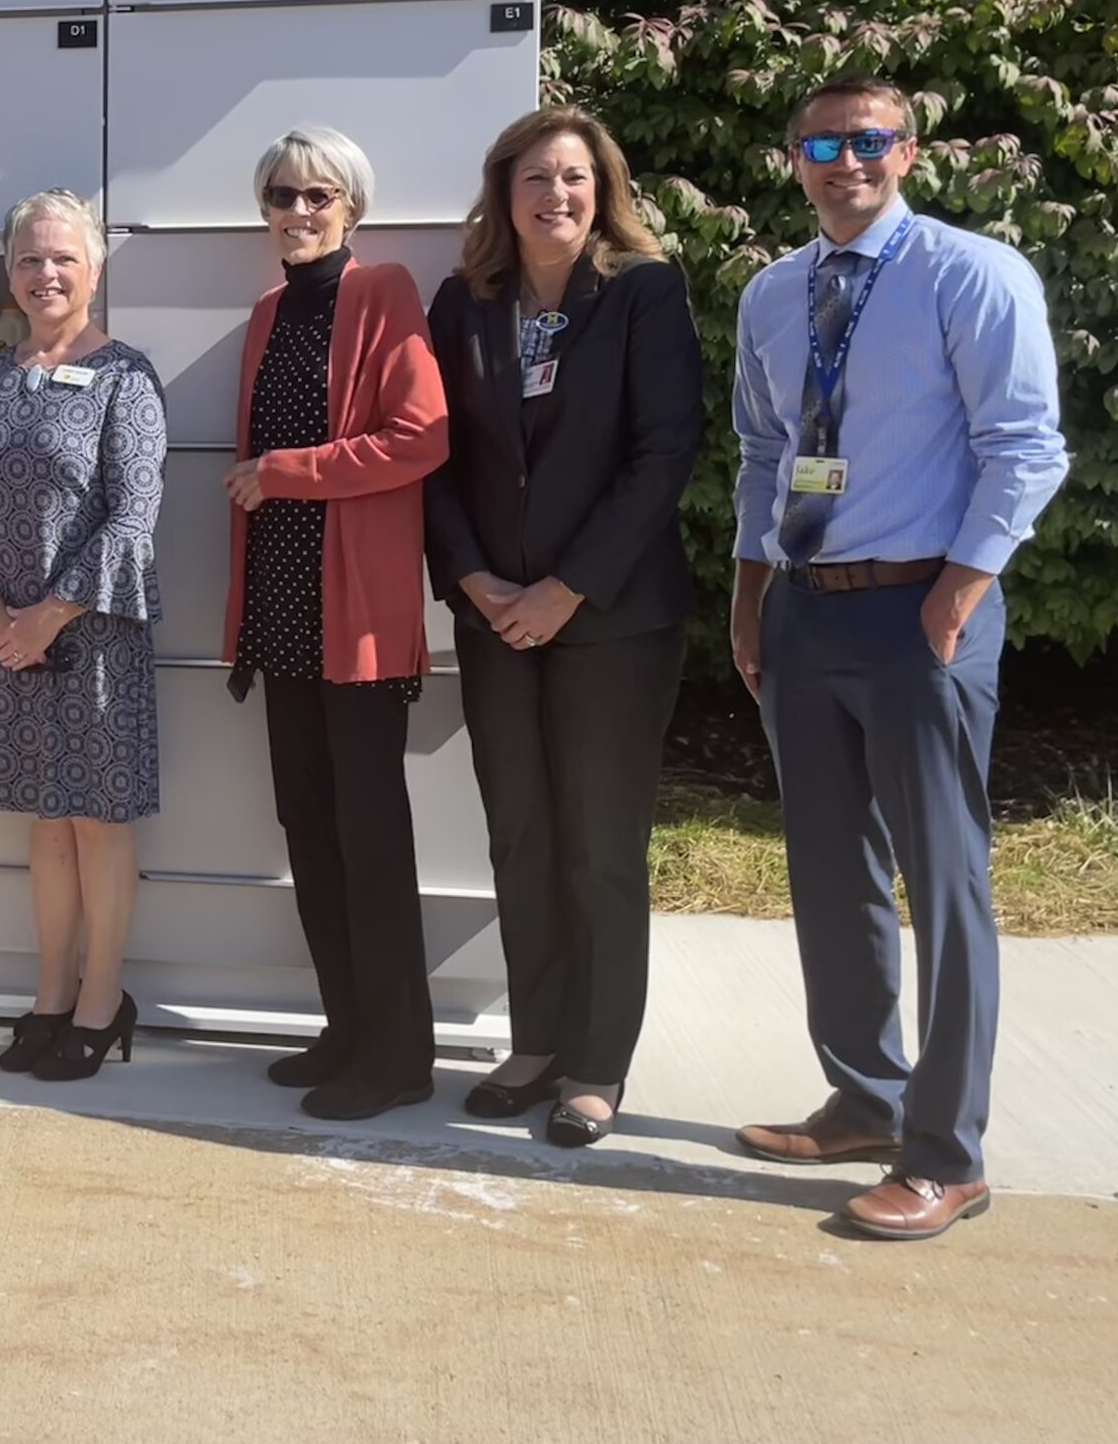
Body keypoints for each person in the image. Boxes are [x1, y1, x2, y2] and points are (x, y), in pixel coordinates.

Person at [729, 76, 1067, 1241]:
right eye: (819, 143)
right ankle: (864, 1099)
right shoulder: (775, 294)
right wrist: (747, 596)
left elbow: (1024, 447)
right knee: (830, 870)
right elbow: (764, 455)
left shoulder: (969, 274)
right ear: (792, 159)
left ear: (907, 152)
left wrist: (960, 592)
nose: (843, 161)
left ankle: (946, 1151)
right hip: (804, 613)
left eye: (866, 142)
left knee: (944, 879)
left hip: (924, 610)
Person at [425, 108, 703, 1148]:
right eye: (535, 177)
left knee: (599, 848)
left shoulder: (642, 292)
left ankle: (596, 1061)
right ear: (503, 192)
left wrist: (566, 587)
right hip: (494, 614)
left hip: (612, 623)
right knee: (521, 836)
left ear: (604, 189)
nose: (556, 195)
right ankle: (536, 1040)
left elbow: (662, 453)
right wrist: (474, 576)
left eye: (575, 177)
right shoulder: (465, 303)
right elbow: (435, 453)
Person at [222, 127, 449, 1122]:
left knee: (368, 832)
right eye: (281, 195)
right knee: (309, 827)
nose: (298, 211)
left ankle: (399, 1053)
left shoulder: (384, 290)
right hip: (279, 604)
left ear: (350, 207)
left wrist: (284, 473)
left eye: (318, 195)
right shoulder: (270, 309)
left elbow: (418, 438)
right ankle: (347, 1029)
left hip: (354, 607)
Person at [0, 190, 167, 1082]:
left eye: (64, 257)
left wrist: (50, 615)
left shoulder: (127, 378)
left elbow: (135, 517)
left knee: (97, 821)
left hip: (96, 633)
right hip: (10, 639)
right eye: (30, 258)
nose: (47, 273)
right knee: (46, 821)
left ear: (95, 268)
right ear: (10, 272)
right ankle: (50, 994)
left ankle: (103, 1000)